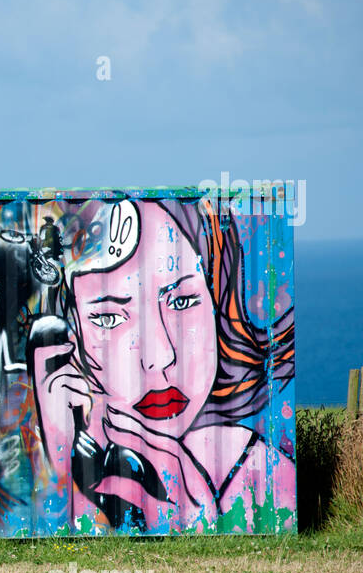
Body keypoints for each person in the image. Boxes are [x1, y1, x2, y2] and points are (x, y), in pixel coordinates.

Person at [29, 197, 294, 533]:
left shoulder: (263, 474)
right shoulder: (78, 456)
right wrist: (59, 461)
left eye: (181, 301)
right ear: (72, 330)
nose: (160, 358)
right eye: (109, 318)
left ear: (218, 301)